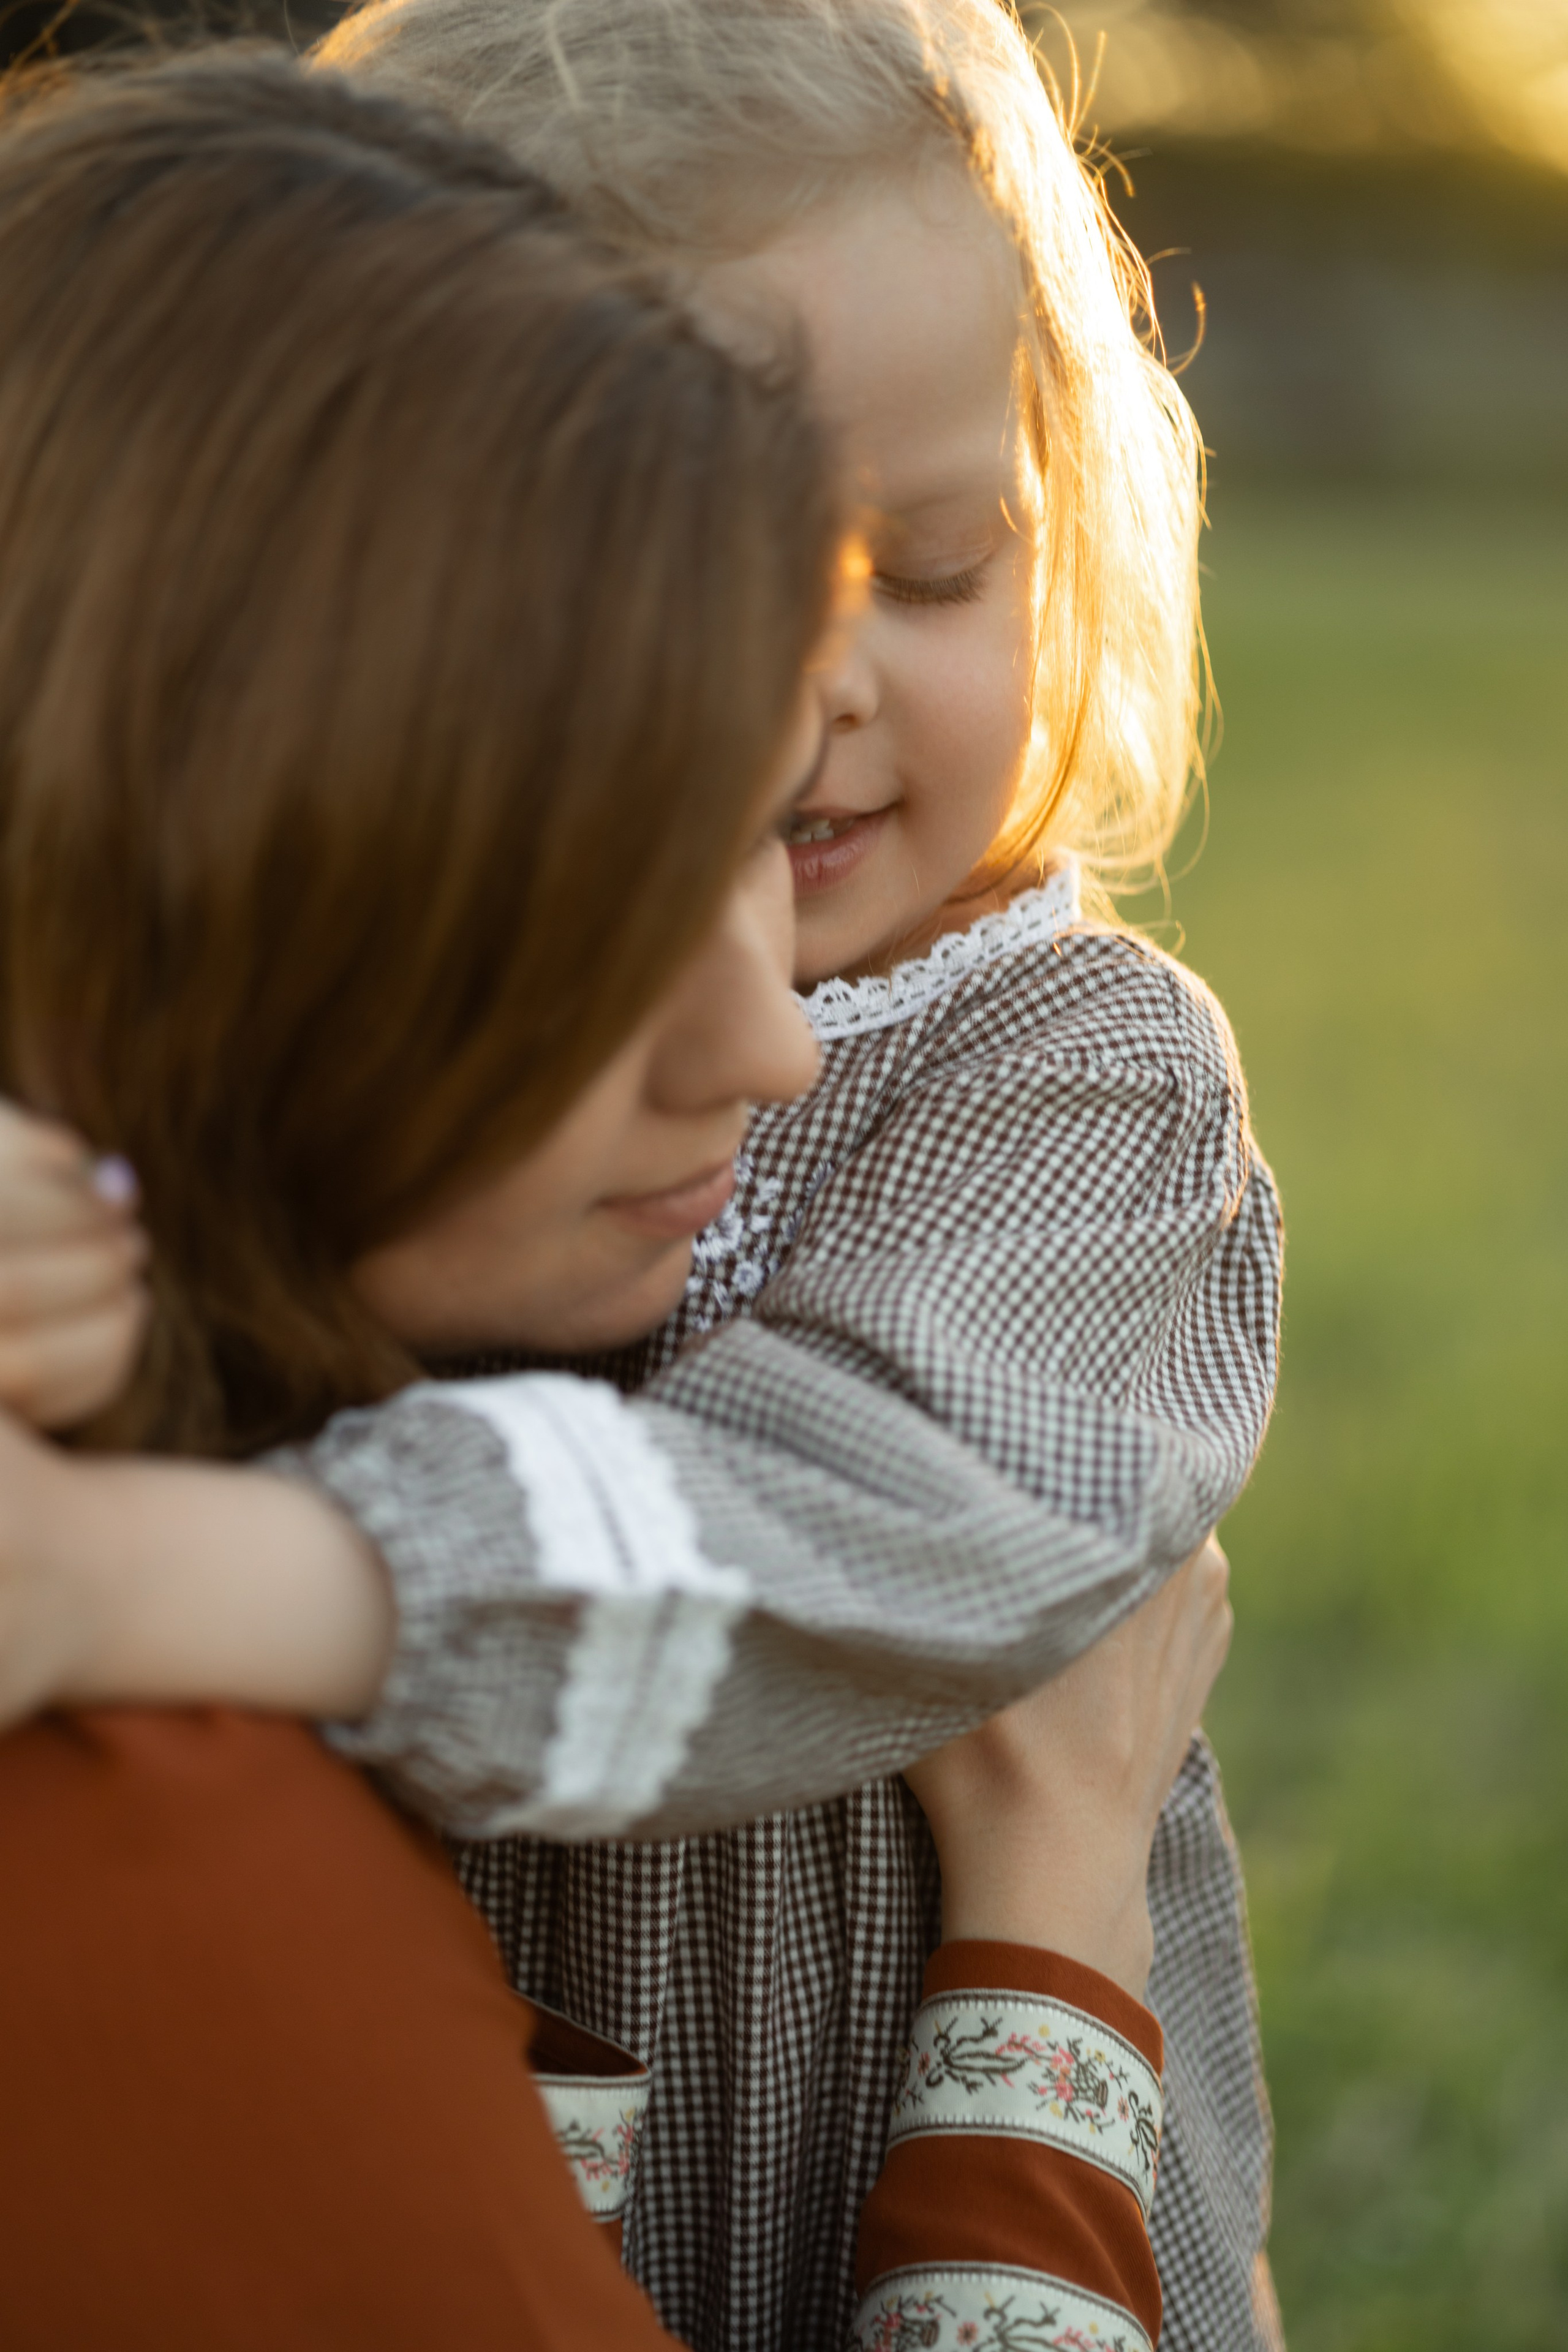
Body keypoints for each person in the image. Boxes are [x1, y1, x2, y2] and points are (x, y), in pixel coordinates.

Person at [0, 6, 1285, 2348]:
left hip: (973, 2214)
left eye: (933, 564)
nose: (821, 695)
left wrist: (159, 1572)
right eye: (709, 589)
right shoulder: (352, 980)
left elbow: (881, 1539)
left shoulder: (1070, 1080)